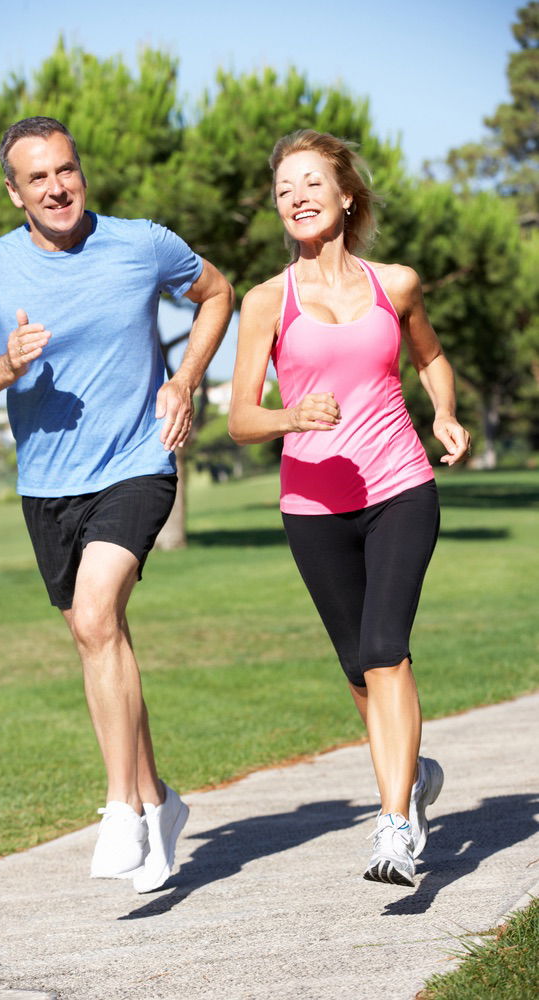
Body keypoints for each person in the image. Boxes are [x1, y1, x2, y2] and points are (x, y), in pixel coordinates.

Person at [0, 116, 234, 894]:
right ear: (14, 193)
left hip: (138, 462)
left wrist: (184, 379)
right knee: (97, 637)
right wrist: (7, 363)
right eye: (36, 178)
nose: (55, 187)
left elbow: (215, 293)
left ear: (81, 173)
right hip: (47, 485)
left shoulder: (140, 242)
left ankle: (119, 811)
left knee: (99, 616)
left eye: (64, 170)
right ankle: (159, 802)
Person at [228, 129, 470, 887]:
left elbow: (427, 354)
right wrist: (288, 419)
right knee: (358, 672)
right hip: (311, 508)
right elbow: (238, 417)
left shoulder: (393, 284)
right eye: (282, 190)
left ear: (344, 195)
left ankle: (394, 828)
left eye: (309, 183)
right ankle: (415, 773)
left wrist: (443, 412)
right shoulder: (266, 301)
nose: (294, 197)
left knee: (384, 649)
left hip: (399, 487)